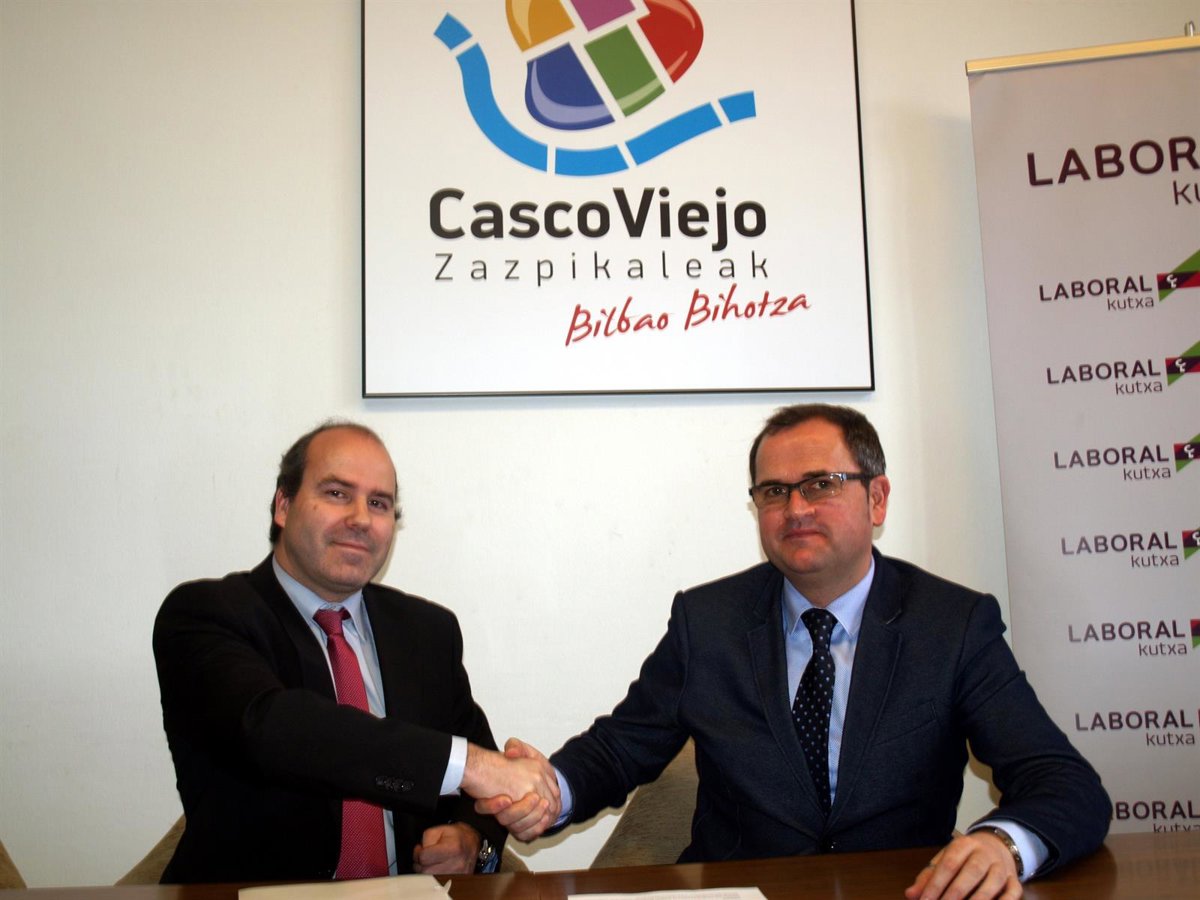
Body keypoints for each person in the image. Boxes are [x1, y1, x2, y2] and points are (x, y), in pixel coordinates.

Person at [480, 404, 1110, 900]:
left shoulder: (952, 624)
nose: (795, 508)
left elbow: (1066, 784)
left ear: (877, 498)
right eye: (774, 492)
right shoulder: (708, 621)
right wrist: (550, 790)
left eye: (821, 484)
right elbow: (621, 747)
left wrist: (1004, 843)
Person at [153, 421, 557, 883]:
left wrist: (469, 840)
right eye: (337, 494)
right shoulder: (205, 615)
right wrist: (471, 766)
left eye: (378, 503)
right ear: (283, 505)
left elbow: (482, 783)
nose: (361, 519)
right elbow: (275, 729)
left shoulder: (427, 631)